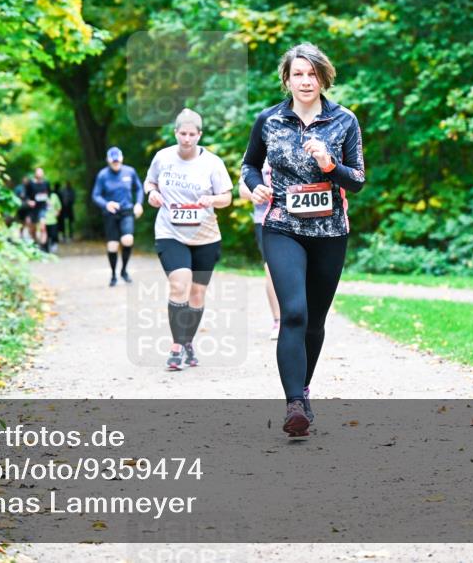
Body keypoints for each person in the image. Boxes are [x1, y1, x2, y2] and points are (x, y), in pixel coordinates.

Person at [241, 42, 365, 437]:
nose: (306, 81)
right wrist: (256, 185)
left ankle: (304, 389)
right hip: (282, 226)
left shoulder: (344, 121)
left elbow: (358, 180)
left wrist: (331, 165)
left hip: (330, 231)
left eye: (312, 74)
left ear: (323, 77)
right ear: (287, 79)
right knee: (293, 312)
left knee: (314, 321)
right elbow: (248, 164)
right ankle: (294, 402)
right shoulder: (269, 120)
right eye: (298, 74)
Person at [144, 108, 233, 371]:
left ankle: (187, 342)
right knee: (179, 284)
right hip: (170, 231)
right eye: (182, 133)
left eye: (192, 134)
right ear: (175, 133)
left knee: (197, 293)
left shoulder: (212, 163)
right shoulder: (163, 158)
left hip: (205, 235)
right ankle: (175, 346)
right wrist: (152, 195)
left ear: (200, 135)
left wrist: (212, 200)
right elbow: (150, 184)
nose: (186, 139)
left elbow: (227, 198)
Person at [238, 161, 281, 340]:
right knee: (271, 269)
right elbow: (242, 191)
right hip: (265, 219)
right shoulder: (256, 151)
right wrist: (261, 193)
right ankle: (278, 321)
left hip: (299, 218)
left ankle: (300, 318)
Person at [92, 147, 143, 286]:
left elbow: (138, 188)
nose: (115, 163)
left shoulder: (130, 171)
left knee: (127, 240)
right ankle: (114, 275)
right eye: (113, 161)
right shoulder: (102, 175)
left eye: (117, 160)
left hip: (126, 210)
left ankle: (124, 271)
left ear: (121, 158)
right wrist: (106, 204)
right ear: (108, 160)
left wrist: (138, 203)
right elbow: (95, 195)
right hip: (110, 213)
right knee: (112, 246)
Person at [25, 167, 50, 248]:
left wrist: (48, 200)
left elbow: (48, 193)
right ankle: (35, 242)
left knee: (43, 226)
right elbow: (26, 195)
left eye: (41, 172)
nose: (40, 174)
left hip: (42, 207)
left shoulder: (46, 183)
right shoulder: (30, 183)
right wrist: (29, 201)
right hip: (33, 209)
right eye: (38, 172)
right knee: (33, 229)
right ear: (35, 173)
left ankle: (43, 245)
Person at [43, 187, 62, 253]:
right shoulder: (41, 196)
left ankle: (53, 246)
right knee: (45, 236)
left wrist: (57, 214)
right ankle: (45, 249)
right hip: (44, 220)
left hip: (53, 220)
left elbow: (59, 207)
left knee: (53, 235)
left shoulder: (54, 196)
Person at [14, 176, 31, 240]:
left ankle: (27, 234)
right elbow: (15, 197)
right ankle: (21, 234)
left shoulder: (29, 188)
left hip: (28, 208)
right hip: (21, 208)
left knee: (28, 221)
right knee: (21, 221)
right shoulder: (18, 188)